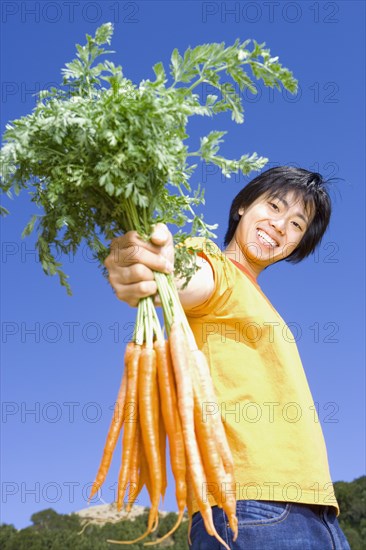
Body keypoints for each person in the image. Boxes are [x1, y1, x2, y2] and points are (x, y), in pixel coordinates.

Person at [104, 166, 351, 549]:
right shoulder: (214, 267)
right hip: (253, 506)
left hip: (316, 510)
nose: (280, 225)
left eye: (297, 224)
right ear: (242, 207)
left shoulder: (256, 295)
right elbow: (181, 276)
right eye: (273, 205)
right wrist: (147, 266)